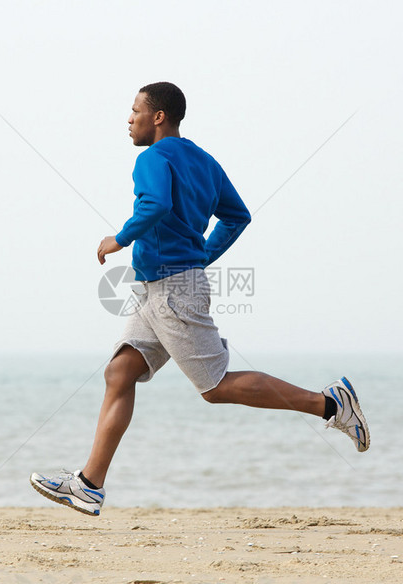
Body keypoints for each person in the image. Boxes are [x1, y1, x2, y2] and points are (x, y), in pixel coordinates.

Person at [30, 82, 369, 516]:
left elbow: (153, 205)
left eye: (134, 111)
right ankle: (89, 484)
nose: (128, 119)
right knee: (120, 371)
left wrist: (119, 238)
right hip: (160, 289)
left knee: (216, 387)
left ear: (158, 117)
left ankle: (330, 404)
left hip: (174, 292)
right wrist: (201, 256)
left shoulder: (150, 158)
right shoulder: (205, 162)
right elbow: (237, 215)